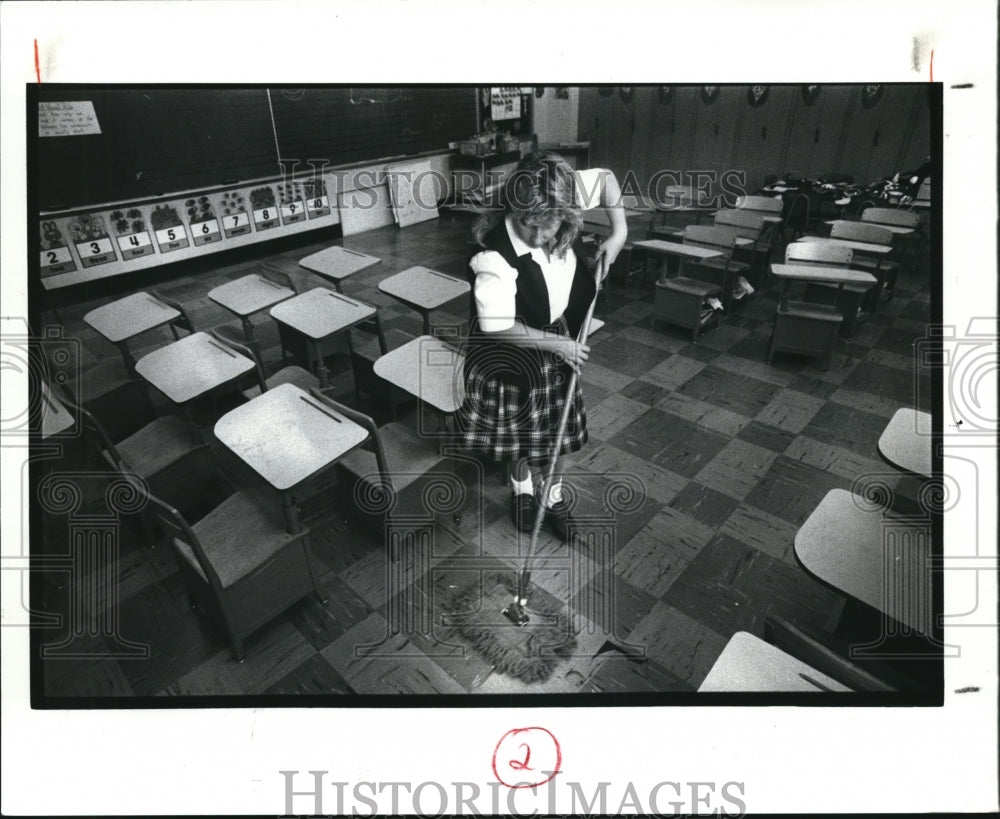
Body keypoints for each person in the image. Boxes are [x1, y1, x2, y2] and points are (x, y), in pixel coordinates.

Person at [455, 151, 627, 534]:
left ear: (565, 212)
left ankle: (553, 496)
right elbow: (496, 326)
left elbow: (608, 177)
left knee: (558, 432)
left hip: (557, 337)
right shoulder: (493, 257)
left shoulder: (558, 189)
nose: (536, 236)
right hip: (512, 351)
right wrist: (558, 345)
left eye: (546, 227)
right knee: (519, 435)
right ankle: (522, 490)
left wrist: (619, 235)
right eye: (526, 224)